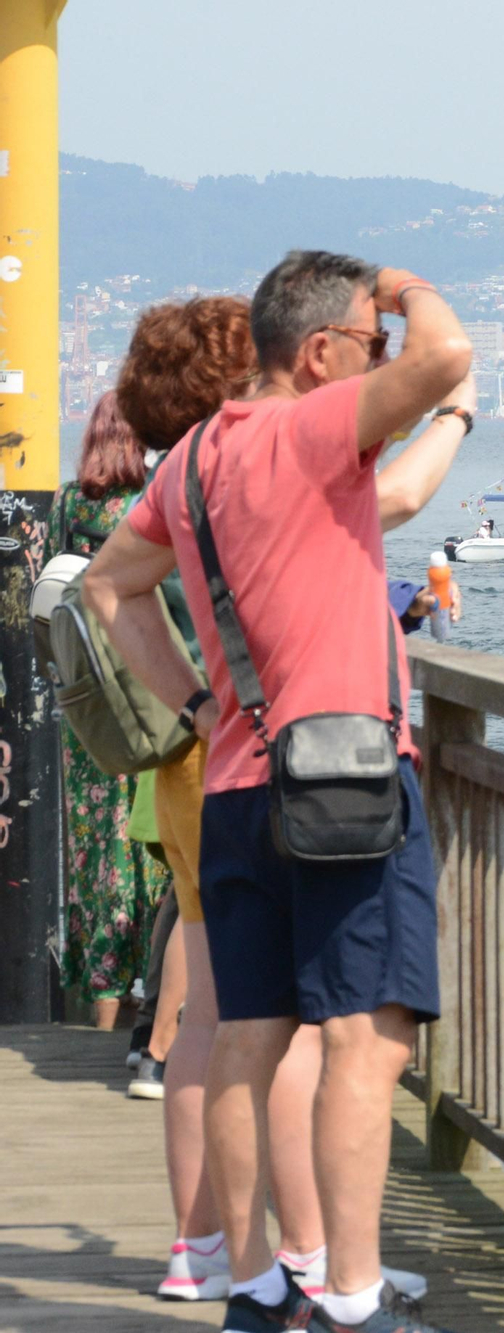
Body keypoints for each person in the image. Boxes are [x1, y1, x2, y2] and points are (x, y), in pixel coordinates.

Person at [86, 251, 473, 1333]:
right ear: (319, 355)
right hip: (346, 781)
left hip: (241, 788)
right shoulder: (314, 426)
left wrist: (201, 705)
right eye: (367, 344)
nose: (383, 356)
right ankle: (350, 1296)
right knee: (366, 1035)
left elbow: (113, 587)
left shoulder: (199, 453)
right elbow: (449, 354)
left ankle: (259, 1284)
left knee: (249, 1031)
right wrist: (404, 287)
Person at [44, 395, 174, 1031]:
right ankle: (150, 1004)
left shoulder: (67, 503)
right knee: (146, 852)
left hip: (86, 708)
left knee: (97, 859)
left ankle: (101, 1008)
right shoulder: (148, 501)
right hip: (140, 693)